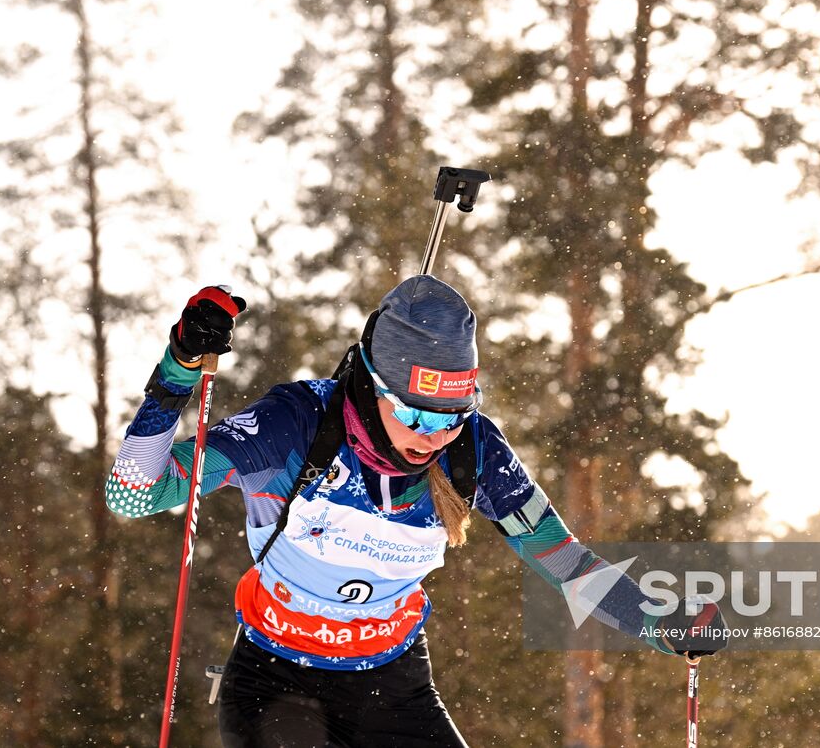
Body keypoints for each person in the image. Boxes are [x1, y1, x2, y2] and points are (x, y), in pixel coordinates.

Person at [107, 276, 722, 747]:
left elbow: (565, 562)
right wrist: (179, 369)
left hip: (390, 687)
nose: (432, 435)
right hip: (276, 683)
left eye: (450, 416)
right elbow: (132, 493)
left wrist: (658, 622)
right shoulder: (294, 426)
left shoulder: (475, 449)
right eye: (417, 413)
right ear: (373, 383)